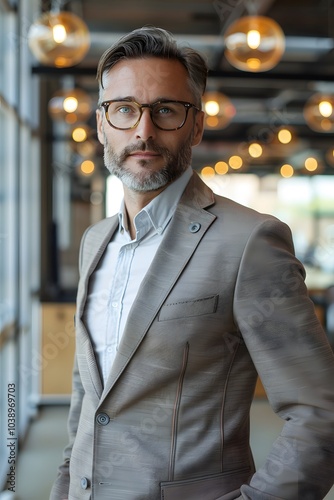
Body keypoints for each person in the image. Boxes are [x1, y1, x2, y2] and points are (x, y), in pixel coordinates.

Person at [50, 26, 334, 500]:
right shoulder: (95, 241)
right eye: (124, 109)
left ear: (197, 125)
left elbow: (320, 413)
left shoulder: (250, 242)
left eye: (165, 110)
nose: (143, 130)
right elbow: (89, 393)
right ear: (101, 124)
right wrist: (63, 484)